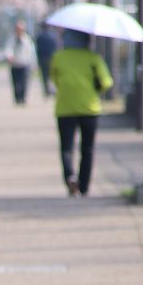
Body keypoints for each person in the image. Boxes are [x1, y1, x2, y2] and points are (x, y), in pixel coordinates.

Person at [49, 29, 114, 196]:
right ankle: (84, 186)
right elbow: (106, 82)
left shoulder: (59, 57)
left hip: (65, 108)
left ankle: (70, 177)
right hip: (89, 108)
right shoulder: (93, 58)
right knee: (88, 149)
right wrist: (94, 89)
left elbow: (54, 79)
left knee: (67, 148)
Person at [6, 20, 37, 104]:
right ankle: (17, 98)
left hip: (24, 64)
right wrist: (9, 56)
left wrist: (33, 64)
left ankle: (23, 98)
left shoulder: (27, 39)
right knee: (16, 83)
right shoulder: (12, 39)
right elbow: (8, 49)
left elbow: (31, 52)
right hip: (15, 64)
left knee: (24, 83)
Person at [35, 23, 58, 97]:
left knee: (45, 76)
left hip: (43, 59)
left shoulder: (39, 36)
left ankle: (46, 90)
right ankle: (53, 90)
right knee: (53, 75)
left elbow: (38, 50)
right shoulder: (53, 36)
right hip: (52, 58)